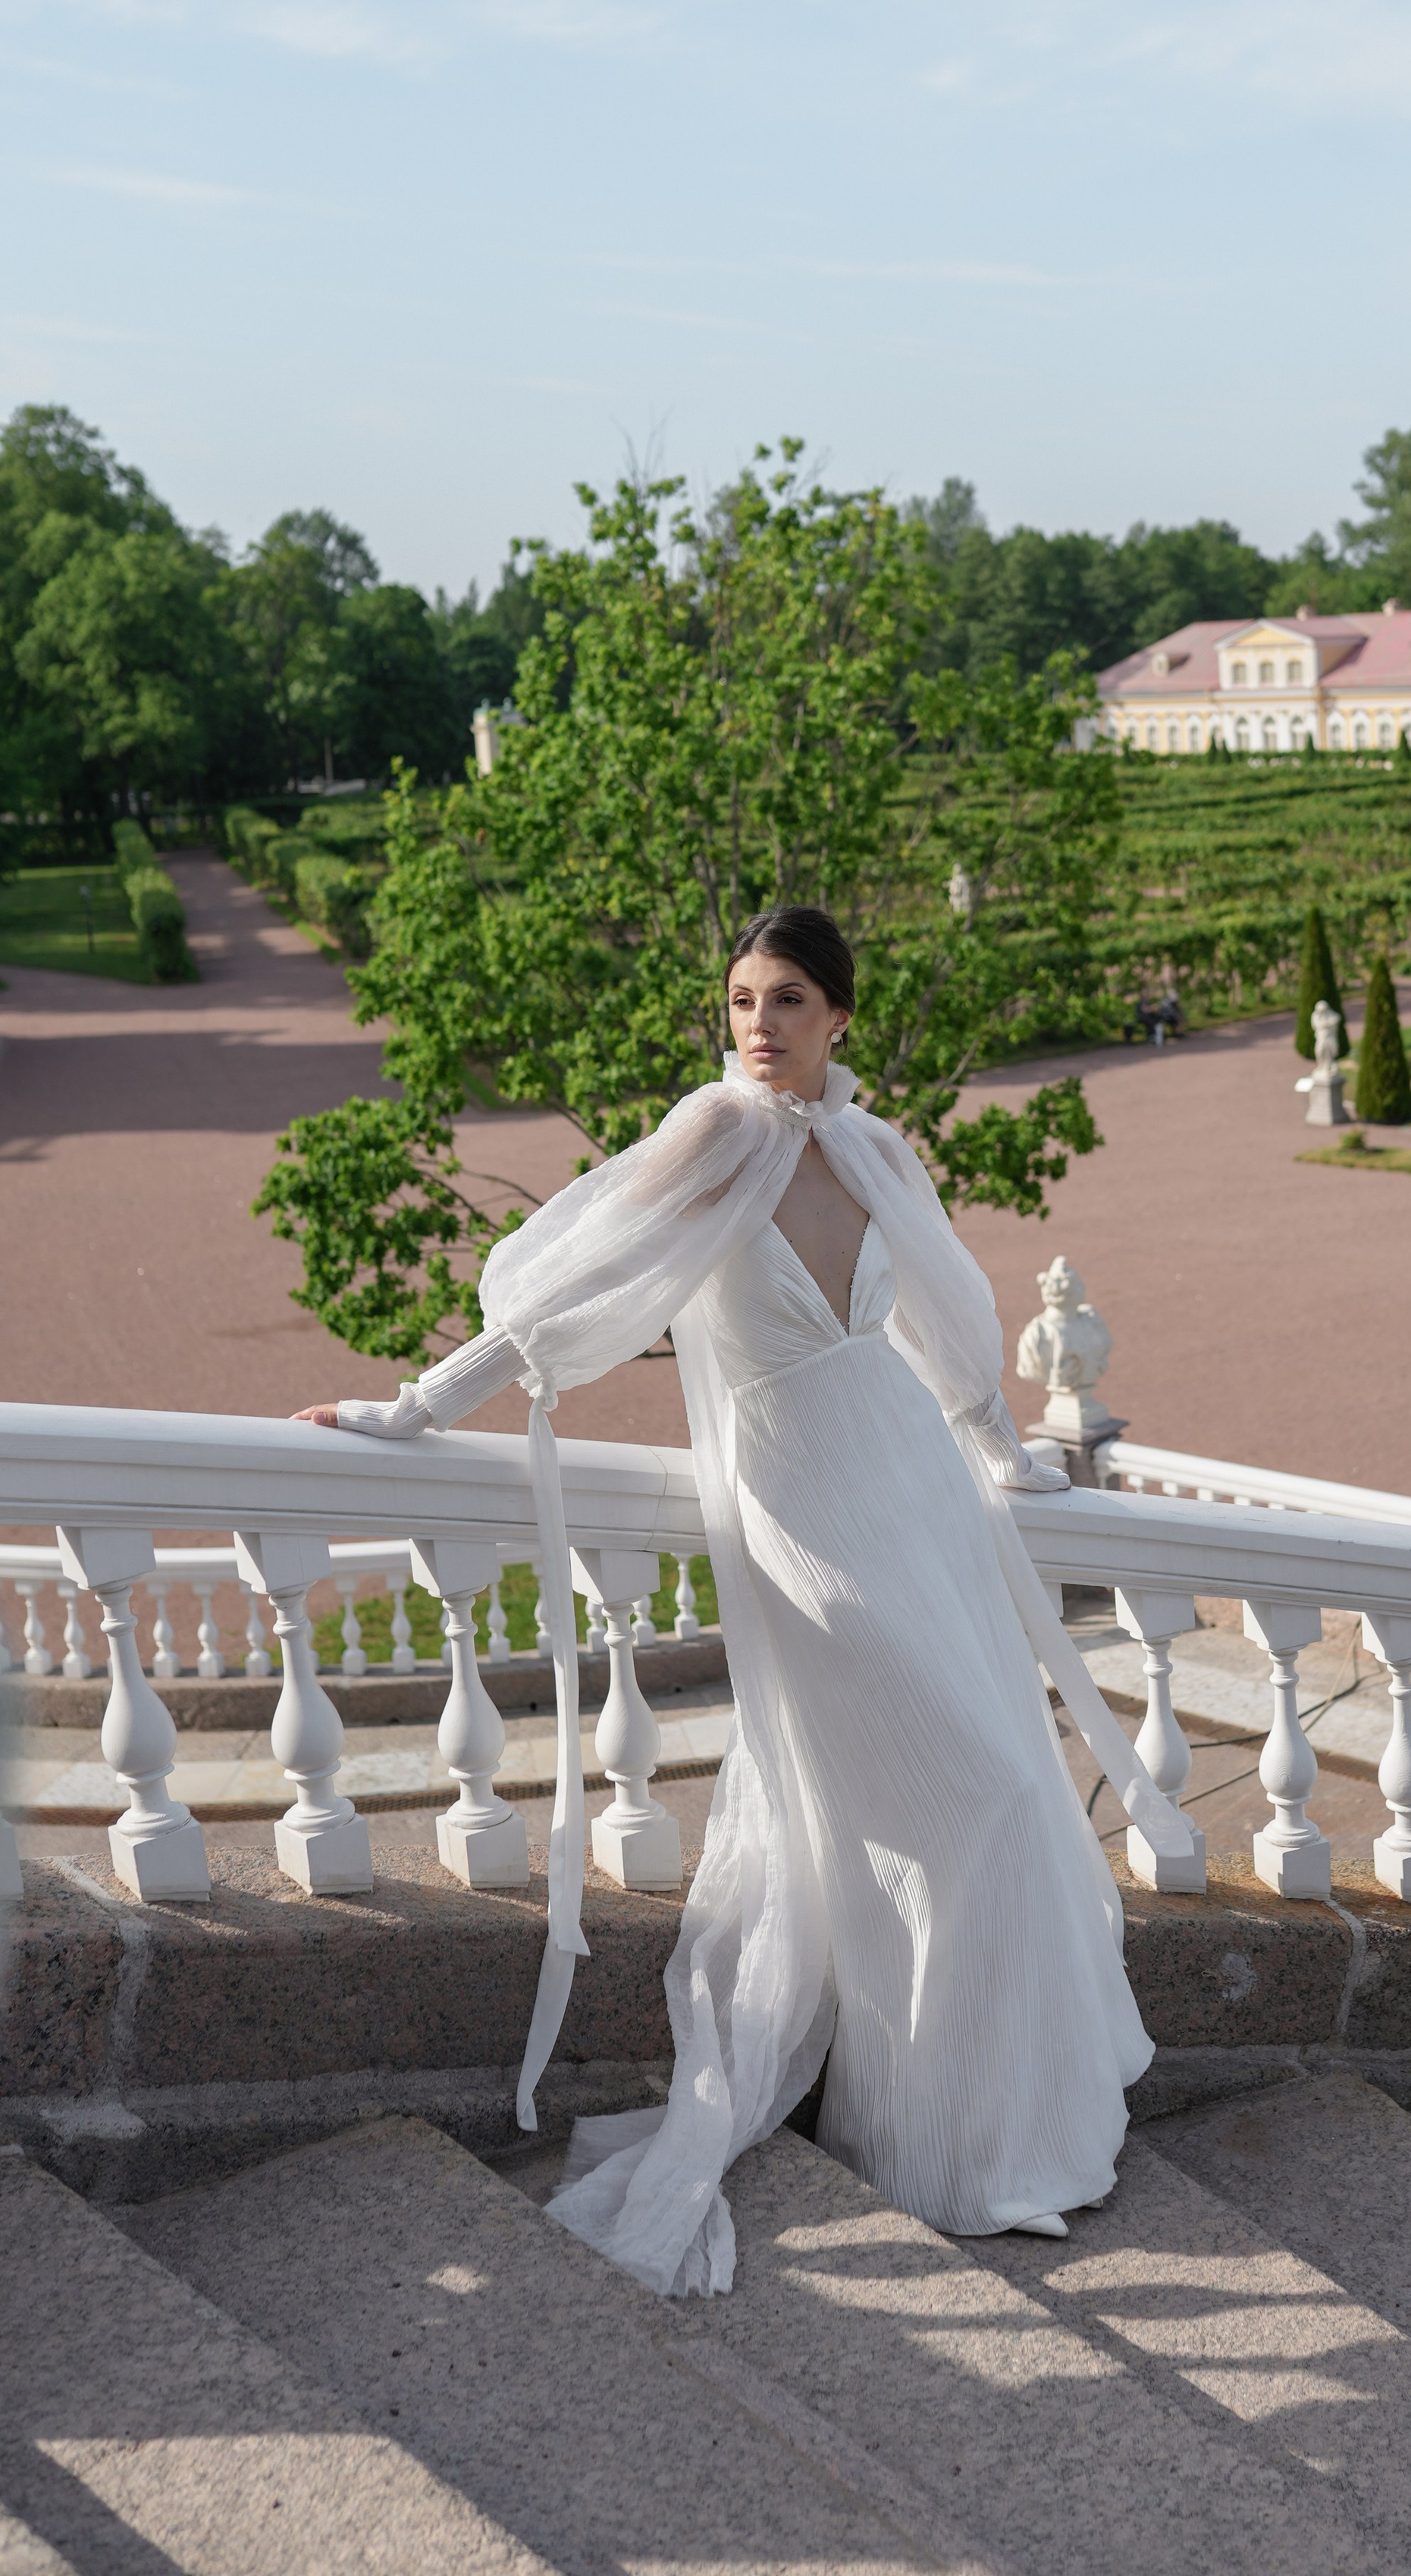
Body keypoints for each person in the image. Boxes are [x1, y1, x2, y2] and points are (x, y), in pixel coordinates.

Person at [295, 906, 1191, 2297]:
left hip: (915, 1491)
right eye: (739, 1000)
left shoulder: (877, 1146)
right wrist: (410, 1409)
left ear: (839, 1015)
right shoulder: (717, 1133)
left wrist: (1006, 1456)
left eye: (785, 1000)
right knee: (976, 1797)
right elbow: (563, 1297)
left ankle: (986, 2142)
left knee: (999, 1797)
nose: (757, 1025)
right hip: (799, 1509)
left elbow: (949, 1320)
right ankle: (947, 2154)